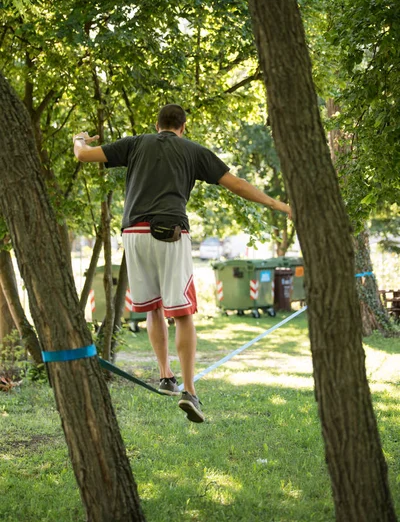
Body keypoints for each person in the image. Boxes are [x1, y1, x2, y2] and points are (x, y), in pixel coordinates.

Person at [73, 104, 291, 423]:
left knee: (153, 308)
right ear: (183, 127)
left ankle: (166, 376)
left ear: (156, 124)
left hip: (133, 232)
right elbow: (237, 184)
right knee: (183, 313)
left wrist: (80, 137)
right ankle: (189, 391)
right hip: (170, 232)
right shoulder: (192, 150)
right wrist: (279, 205)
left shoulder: (134, 143)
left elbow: (83, 155)